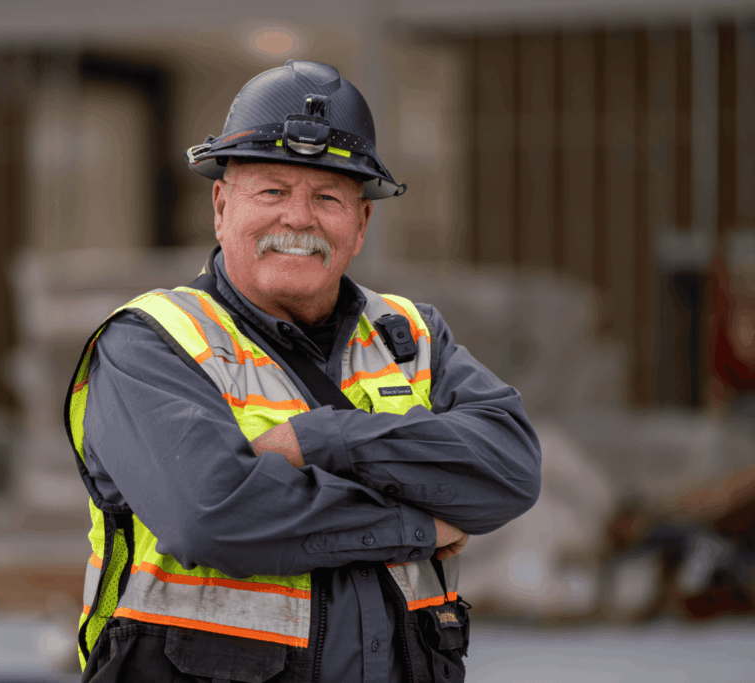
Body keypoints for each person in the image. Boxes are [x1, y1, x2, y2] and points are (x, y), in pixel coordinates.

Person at [65, 60, 542, 683]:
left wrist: (318, 439)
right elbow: (212, 515)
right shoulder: (152, 342)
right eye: (271, 191)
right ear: (221, 204)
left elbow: (509, 470)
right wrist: (418, 522)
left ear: (361, 225)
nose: (298, 218)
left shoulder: (411, 335)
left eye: (328, 197)